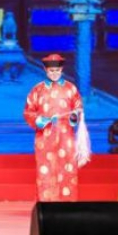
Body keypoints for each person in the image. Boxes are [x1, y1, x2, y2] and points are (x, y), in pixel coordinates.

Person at [23, 54, 85, 202]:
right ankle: (47, 204)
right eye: (51, 71)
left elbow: (78, 109)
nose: (54, 73)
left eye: (57, 70)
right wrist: (39, 120)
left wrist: (74, 116)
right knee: (46, 169)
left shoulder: (71, 89)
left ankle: (67, 203)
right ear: (45, 70)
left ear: (61, 69)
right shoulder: (37, 90)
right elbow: (28, 111)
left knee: (67, 167)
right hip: (45, 136)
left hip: (66, 136)